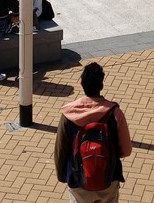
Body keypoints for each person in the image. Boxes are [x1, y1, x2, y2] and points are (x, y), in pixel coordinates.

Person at [54, 62, 133, 202]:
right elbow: (126, 150)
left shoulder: (68, 114)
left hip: (77, 179)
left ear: (81, 83)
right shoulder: (115, 113)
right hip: (108, 177)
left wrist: (63, 175)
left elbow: (61, 150)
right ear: (101, 86)